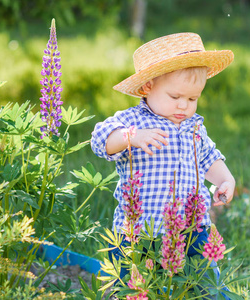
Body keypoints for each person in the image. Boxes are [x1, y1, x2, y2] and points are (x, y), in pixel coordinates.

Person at [91, 32, 235, 297]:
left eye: (193, 99)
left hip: (192, 228)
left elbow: (209, 157)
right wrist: (130, 137)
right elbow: (100, 140)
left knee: (206, 285)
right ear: (147, 87)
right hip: (140, 231)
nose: (184, 105)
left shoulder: (194, 126)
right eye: (175, 96)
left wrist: (226, 179)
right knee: (130, 287)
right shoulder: (132, 120)